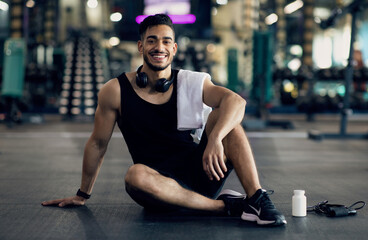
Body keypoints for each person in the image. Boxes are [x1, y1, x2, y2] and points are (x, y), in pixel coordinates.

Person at [42, 14, 286, 226]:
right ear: (140, 46)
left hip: (201, 173)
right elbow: (97, 143)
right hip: (156, 187)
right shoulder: (115, 90)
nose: (159, 47)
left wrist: (216, 139)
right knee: (134, 175)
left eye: (166, 41)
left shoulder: (191, 81)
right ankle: (228, 207)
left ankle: (256, 200)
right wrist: (82, 194)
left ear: (174, 49)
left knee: (227, 120)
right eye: (152, 40)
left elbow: (236, 101)